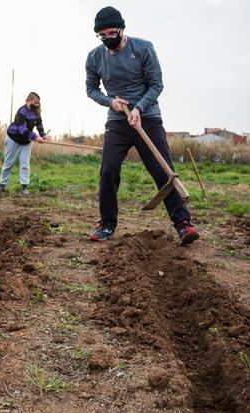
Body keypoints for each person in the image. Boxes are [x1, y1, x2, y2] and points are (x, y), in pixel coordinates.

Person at [85, 6, 199, 244]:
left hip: (148, 118)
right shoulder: (94, 57)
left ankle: (183, 224)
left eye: (111, 33)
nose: (108, 39)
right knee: (108, 171)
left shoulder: (143, 48)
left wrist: (139, 108)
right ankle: (107, 224)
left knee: (163, 170)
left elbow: (156, 84)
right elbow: (91, 89)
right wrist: (111, 102)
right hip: (117, 121)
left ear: (122, 29)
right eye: (102, 35)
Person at [0, 92, 47, 195]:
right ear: (28, 101)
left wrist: (43, 135)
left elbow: (39, 124)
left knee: (25, 164)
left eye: (38, 103)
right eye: (35, 102)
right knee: (9, 163)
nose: (37, 105)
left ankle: (24, 187)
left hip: (26, 141)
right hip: (13, 138)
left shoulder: (37, 112)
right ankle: (1, 185)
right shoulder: (21, 112)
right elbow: (22, 129)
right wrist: (36, 137)